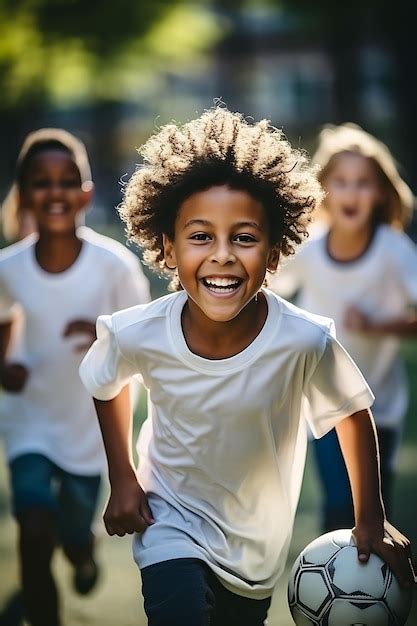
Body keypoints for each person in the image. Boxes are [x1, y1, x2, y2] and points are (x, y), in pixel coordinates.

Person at [79, 108, 415, 626]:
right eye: (199, 236)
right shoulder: (138, 331)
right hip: (170, 519)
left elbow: (352, 413)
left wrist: (369, 516)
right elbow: (104, 383)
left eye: (243, 237)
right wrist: (123, 478)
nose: (222, 256)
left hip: (257, 546)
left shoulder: (303, 338)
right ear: (166, 246)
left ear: (276, 252)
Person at [0, 128, 151, 626]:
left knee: (69, 531)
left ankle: (82, 550)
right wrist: (6, 369)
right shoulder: (9, 268)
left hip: (90, 431)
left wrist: (104, 335)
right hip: (29, 424)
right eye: (41, 182)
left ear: (86, 192)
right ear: (23, 194)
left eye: (68, 181)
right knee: (34, 531)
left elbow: (147, 349)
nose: (56, 192)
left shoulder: (114, 267)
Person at [271, 123, 417, 532]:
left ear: (380, 193)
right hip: (323, 402)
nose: (351, 193)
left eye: (363, 183)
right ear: (322, 189)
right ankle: (333, 590)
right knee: (339, 508)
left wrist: (381, 324)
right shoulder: (309, 249)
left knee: (372, 513)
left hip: (379, 409)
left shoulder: (394, 251)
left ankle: (374, 592)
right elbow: (265, 288)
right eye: (341, 182)